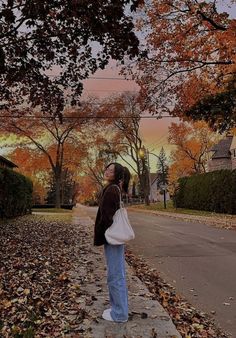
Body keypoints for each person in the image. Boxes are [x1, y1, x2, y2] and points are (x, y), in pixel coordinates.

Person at [94, 162, 131, 323]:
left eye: (111, 170)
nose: (107, 171)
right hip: (115, 237)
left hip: (112, 238)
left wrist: (104, 231)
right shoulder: (114, 188)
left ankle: (119, 314)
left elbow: (107, 216)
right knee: (117, 274)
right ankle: (118, 309)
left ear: (116, 174)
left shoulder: (111, 190)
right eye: (107, 169)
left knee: (115, 276)